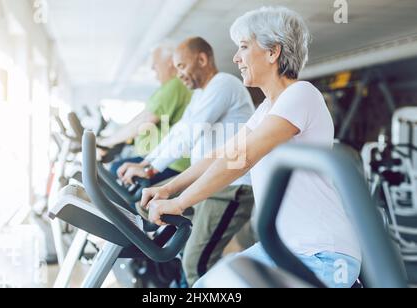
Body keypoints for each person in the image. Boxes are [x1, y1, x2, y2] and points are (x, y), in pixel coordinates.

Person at [141, 7, 362, 288]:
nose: (236, 58)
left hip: (321, 254)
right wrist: (169, 188)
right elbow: (221, 154)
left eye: (244, 47)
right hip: (284, 250)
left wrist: (180, 203)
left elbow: (241, 158)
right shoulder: (266, 109)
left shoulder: (301, 94)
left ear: (273, 52)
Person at [120, 37, 256, 286]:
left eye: (182, 66)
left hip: (232, 187)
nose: (179, 74)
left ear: (202, 59)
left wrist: (150, 169)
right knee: (147, 205)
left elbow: (190, 133)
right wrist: (147, 164)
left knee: (195, 264)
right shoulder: (200, 94)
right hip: (209, 181)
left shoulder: (224, 84)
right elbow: (178, 132)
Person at [98, 42, 192, 185]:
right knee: (119, 169)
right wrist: (109, 140)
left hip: (174, 163)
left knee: (118, 170)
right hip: (160, 156)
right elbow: (140, 118)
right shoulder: (168, 87)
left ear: (169, 63)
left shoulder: (175, 85)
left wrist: (105, 142)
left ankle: (131, 208)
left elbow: (144, 122)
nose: (152, 67)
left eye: (155, 63)